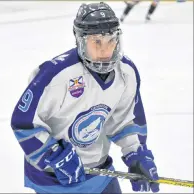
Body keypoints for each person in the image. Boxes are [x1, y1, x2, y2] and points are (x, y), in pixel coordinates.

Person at [11, 2, 160, 193]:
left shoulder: (126, 72)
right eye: (96, 42)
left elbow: (125, 121)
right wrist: (54, 155)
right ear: (80, 40)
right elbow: (24, 123)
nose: (105, 50)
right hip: (53, 179)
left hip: (98, 172)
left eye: (111, 40)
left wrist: (137, 154)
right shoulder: (55, 75)